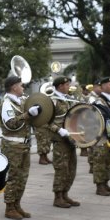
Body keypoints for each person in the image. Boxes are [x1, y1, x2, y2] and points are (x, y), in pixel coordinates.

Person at [0, 75, 39, 219]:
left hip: (23, 145)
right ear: (14, 87)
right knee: (13, 177)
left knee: (23, 177)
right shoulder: (6, 103)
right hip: (12, 146)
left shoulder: (20, 101)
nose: (23, 87)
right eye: (21, 85)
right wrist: (28, 114)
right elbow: (10, 123)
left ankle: (17, 204)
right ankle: (9, 207)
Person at [48, 76, 80, 208]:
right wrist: (58, 130)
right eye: (67, 85)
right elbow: (45, 121)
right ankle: (58, 197)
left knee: (71, 168)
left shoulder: (68, 99)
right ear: (60, 86)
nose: (69, 87)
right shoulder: (53, 101)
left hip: (70, 139)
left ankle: (65, 194)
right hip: (60, 139)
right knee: (61, 168)